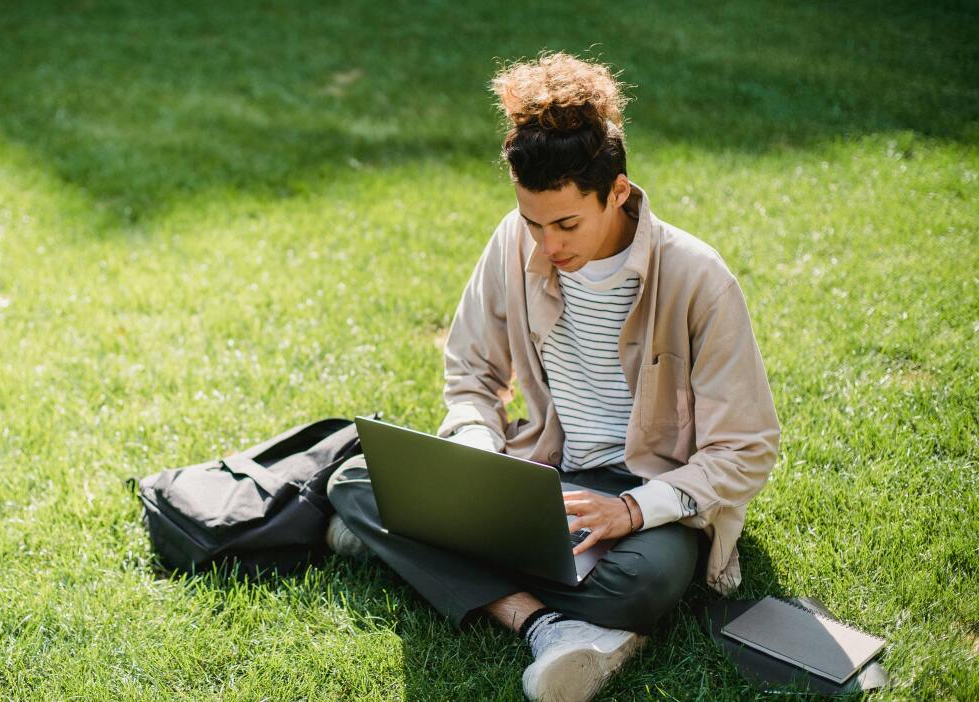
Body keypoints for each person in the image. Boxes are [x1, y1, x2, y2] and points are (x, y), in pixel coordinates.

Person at [324, 52, 780, 702]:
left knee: (646, 581)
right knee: (355, 480)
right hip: (537, 473)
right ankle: (546, 627)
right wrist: (479, 459)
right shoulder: (514, 240)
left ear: (618, 192)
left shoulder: (699, 280)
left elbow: (747, 449)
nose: (546, 245)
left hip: (645, 492)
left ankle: (431, 556)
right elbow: (471, 373)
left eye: (566, 223)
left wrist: (629, 510)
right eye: (532, 221)